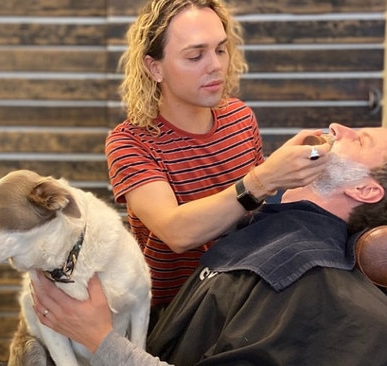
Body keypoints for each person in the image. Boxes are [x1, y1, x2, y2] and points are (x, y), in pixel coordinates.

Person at [32, 115, 387, 366]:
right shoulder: (265, 227)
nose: (337, 128)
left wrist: (99, 340)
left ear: (366, 192)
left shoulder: (314, 286)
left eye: (360, 139)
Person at [105, 0, 332, 322]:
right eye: (195, 56)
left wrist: (299, 170)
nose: (215, 66)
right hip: (174, 313)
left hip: (245, 296)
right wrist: (264, 178)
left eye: (221, 50)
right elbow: (177, 232)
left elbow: (254, 214)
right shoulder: (131, 143)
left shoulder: (239, 117)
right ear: (155, 68)